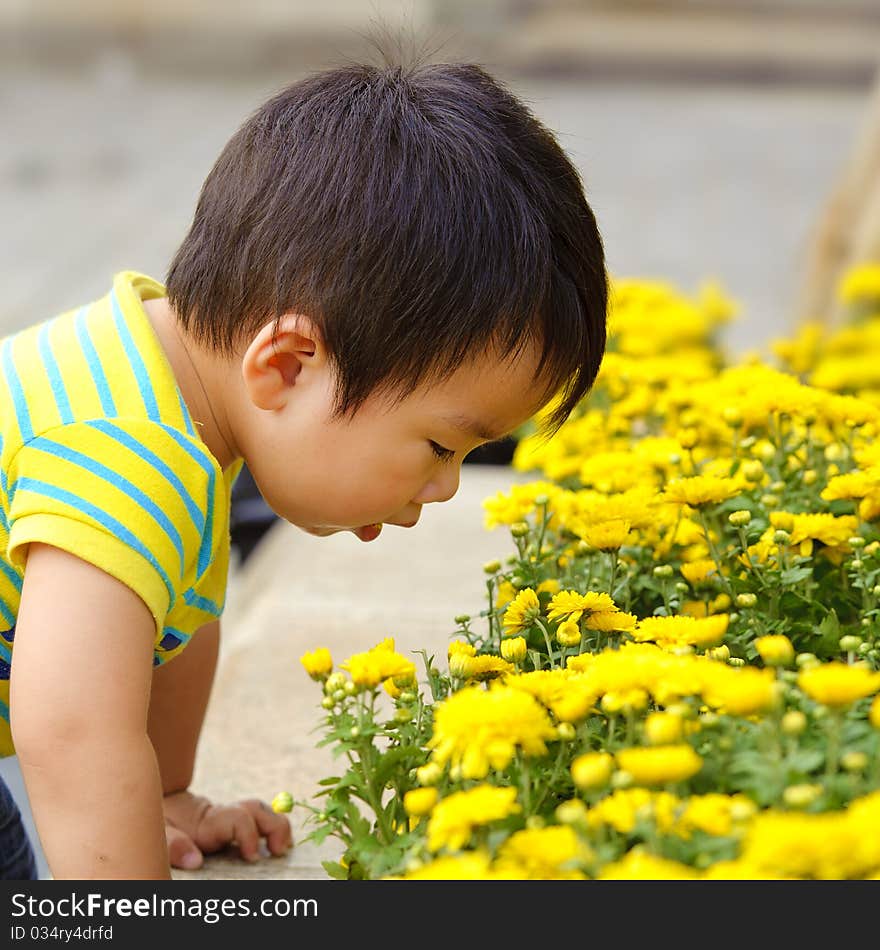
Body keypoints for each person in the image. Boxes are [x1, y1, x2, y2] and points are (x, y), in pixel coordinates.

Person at [0, 56, 607, 879]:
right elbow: (72, 730)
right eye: (439, 445)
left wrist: (167, 796)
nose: (446, 485)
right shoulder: (125, 456)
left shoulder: (167, 384)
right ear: (287, 365)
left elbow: (172, 618)